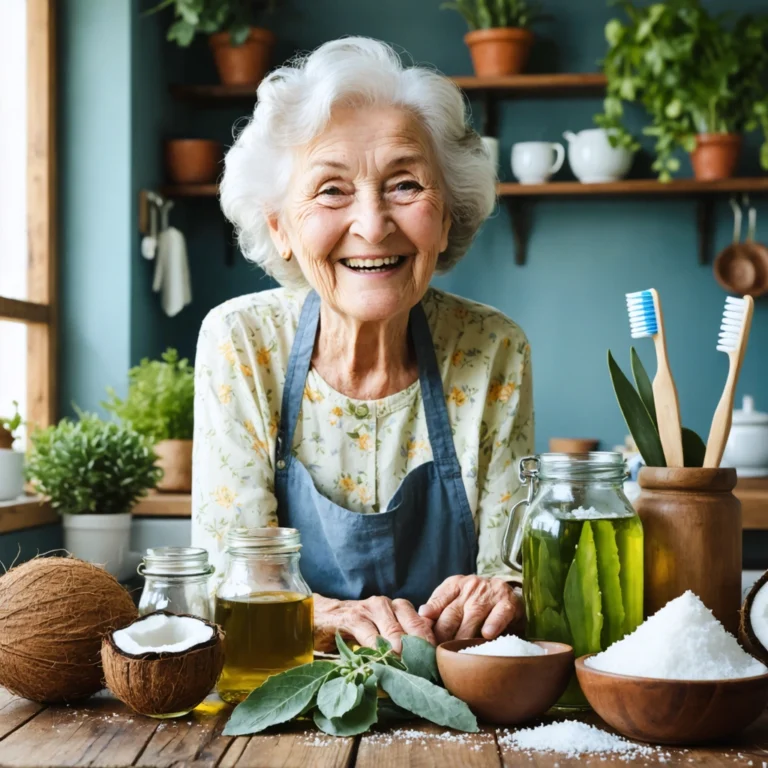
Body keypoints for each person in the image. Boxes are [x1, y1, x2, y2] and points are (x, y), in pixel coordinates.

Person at [192, 37, 533, 653]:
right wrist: (320, 615)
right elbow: (227, 577)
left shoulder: (490, 347)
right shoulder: (243, 342)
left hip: (458, 697)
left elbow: (511, 568)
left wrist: (502, 591)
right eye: (331, 190)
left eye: (405, 185)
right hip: (286, 690)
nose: (373, 225)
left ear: (448, 214)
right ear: (281, 227)